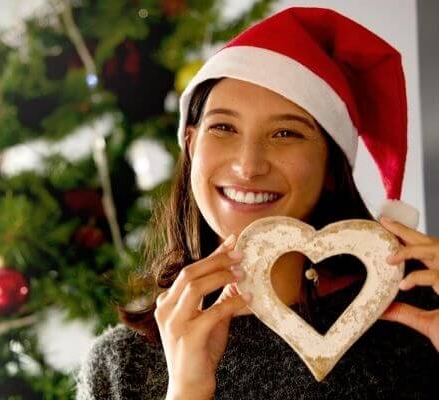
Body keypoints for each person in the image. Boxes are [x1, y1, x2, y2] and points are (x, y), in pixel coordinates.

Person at [75, 6, 439, 400]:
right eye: (224, 127)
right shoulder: (119, 366)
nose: (248, 166)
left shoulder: (422, 319)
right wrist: (187, 391)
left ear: (331, 166)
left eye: (286, 133)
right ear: (192, 146)